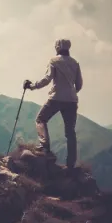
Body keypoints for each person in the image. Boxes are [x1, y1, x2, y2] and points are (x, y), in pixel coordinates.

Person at [23, 39, 83, 168]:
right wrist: (71, 92)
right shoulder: (75, 63)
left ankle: (45, 147)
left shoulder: (54, 61)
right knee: (70, 132)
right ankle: (71, 164)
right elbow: (79, 85)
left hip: (56, 98)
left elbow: (47, 79)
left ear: (57, 48)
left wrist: (32, 86)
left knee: (40, 119)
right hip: (72, 100)